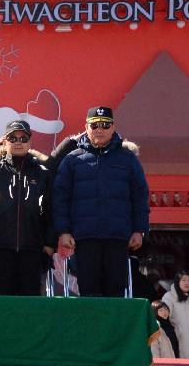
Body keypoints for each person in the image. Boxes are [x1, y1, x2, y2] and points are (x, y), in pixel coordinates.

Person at [53, 106, 150, 297]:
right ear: (86, 128)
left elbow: (140, 196)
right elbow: (60, 198)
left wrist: (139, 230)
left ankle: (113, 328)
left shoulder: (128, 159)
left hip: (118, 237)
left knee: (115, 290)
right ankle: (92, 327)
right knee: (89, 291)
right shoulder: (72, 160)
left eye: (105, 125)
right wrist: (63, 231)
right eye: (94, 125)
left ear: (113, 128)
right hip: (85, 238)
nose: (99, 129)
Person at [0, 120, 55, 296]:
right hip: (0, 247)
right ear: (5, 142)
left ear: (30, 142)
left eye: (23, 138)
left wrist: (50, 244)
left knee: (31, 299)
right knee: (4, 300)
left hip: (33, 248)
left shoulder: (42, 172)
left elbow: (50, 210)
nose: (18, 142)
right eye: (12, 138)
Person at [161, 270, 189, 358]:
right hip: (178, 340)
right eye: (183, 280)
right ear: (177, 282)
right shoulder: (169, 297)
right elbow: (164, 315)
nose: (187, 283)